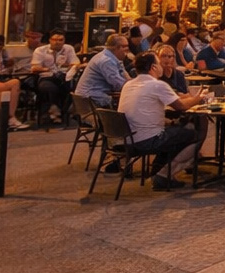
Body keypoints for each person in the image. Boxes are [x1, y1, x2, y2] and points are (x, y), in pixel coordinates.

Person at [117, 51, 204, 190]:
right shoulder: (157, 85)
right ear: (153, 67)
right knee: (195, 134)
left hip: (127, 139)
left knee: (176, 131)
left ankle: (159, 168)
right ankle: (164, 175)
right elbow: (180, 106)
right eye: (158, 63)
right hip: (147, 140)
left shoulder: (129, 84)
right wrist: (199, 98)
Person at [30, 30, 80, 124]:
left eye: (60, 40)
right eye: (54, 40)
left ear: (64, 40)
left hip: (64, 76)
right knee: (48, 88)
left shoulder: (68, 49)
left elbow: (75, 63)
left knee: (72, 88)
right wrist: (47, 69)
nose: (57, 42)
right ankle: (55, 109)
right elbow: (34, 68)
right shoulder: (40, 50)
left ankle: (63, 112)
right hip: (46, 77)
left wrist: (68, 66)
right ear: (50, 40)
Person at [74, 34, 131, 109]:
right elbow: (119, 85)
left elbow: (125, 77)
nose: (127, 50)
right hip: (91, 101)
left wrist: (132, 83)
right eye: (125, 46)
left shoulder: (113, 58)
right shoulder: (106, 61)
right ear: (117, 48)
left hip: (95, 98)